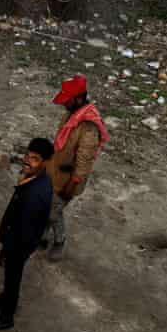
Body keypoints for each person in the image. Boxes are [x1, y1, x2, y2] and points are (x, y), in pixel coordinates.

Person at [0, 138, 55, 332]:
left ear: (46, 162)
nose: (28, 161)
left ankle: (6, 316)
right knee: (10, 276)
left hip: (19, 243)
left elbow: (22, 231)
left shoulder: (34, 196)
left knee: (13, 277)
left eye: (35, 159)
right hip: (20, 237)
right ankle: (5, 298)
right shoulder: (39, 178)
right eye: (27, 156)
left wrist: (6, 248)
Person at [43, 75, 110, 262]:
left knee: (54, 211)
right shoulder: (73, 114)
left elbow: (83, 164)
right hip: (56, 172)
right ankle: (43, 236)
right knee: (49, 206)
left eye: (68, 100)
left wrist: (72, 186)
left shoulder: (88, 127)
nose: (64, 104)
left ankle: (59, 241)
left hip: (68, 180)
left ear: (79, 98)